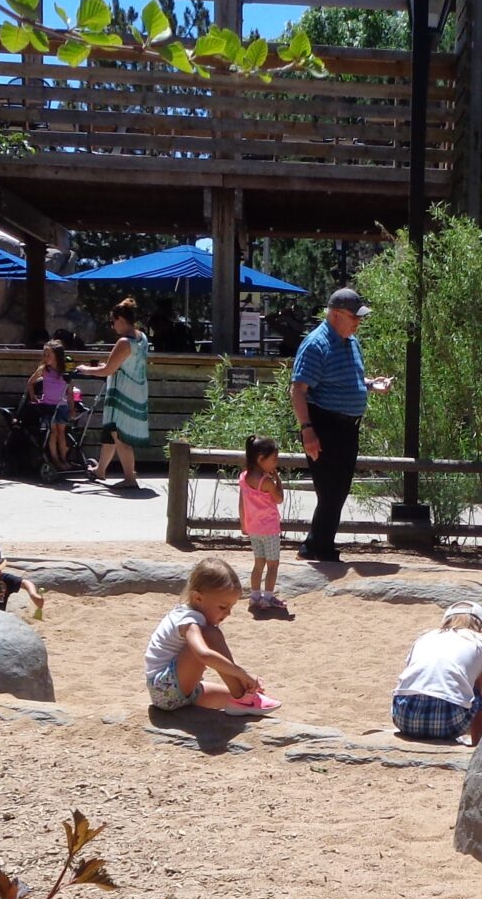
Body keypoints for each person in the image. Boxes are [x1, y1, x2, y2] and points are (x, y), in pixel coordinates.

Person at [291, 288, 394, 563]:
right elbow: (298, 390)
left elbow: (352, 380)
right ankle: (316, 547)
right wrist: (307, 429)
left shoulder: (351, 342)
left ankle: (319, 545)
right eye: (354, 317)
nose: (358, 322)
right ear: (336, 315)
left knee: (339, 489)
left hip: (347, 428)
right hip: (324, 425)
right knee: (330, 490)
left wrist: (372, 385)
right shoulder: (316, 344)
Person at [143, 558, 276, 714]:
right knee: (210, 634)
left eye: (231, 607)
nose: (228, 613)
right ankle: (240, 696)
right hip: (165, 689)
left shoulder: (192, 615)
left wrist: (242, 679)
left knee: (233, 699)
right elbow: (203, 654)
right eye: (223, 607)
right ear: (198, 598)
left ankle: (241, 696)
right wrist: (242, 673)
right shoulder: (189, 620)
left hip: (184, 691)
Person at [392, 601, 482, 745]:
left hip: (403, 716)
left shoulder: (424, 637)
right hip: (447, 722)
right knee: (477, 687)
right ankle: (479, 743)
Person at [75, 301, 151, 490]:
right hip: (137, 390)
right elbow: (121, 365)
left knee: (120, 437)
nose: (112, 325)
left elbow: (108, 370)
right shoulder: (142, 338)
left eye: (113, 321)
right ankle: (101, 470)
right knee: (110, 433)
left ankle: (129, 478)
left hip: (121, 393)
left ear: (122, 320)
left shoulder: (124, 342)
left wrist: (86, 369)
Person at [239, 435, 288, 616]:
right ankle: (268, 597)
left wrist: (243, 522)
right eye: (274, 459)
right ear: (261, 459)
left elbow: (241, 502)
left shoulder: (243, 477)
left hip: (254, 529)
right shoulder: (266, 482)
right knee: (273, 565)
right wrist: (278, 481)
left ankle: (254, 595)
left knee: (258, 563)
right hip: (269, 529)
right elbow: (279, 499)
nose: (275, 463)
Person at [27, 341, 76, 473]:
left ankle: (64, 459)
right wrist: (33, 397)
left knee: (62, 433)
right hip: (48, 406)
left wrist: (72, 409)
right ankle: (55, 460)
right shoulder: (44, 369)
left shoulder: (64, 372)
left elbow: (70, 392)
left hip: (61, 406)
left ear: (57, 356)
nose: (46, 357)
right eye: (45, 354)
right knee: (53, 432)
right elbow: (30, 382)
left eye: (49, 354)